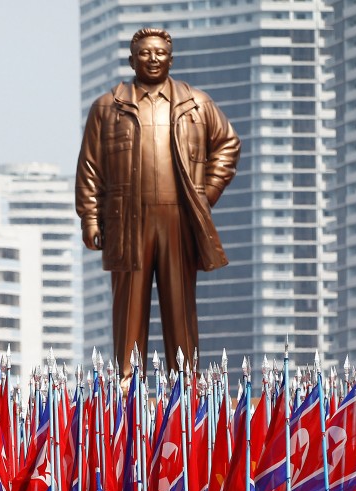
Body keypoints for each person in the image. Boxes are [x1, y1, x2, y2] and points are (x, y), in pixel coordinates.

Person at [76, 27, 240, 380]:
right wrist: (91, 220)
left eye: (160, 53)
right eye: (145, 53)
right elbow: (90, 167)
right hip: (126, 221)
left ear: (171, 58)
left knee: (180, 309)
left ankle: (185, 386)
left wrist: (205, 194)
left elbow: (228, 144)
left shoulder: (197, 103)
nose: (152, 59)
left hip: (178, 219)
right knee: (128, 310)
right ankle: (125, 388)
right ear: (131, 59)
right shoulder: (108, 106)